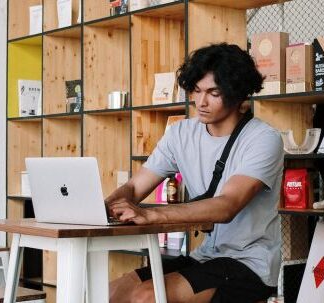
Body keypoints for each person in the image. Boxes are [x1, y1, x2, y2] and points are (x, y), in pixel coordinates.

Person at [105, 43, 284, 303]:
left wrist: (151, 213)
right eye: (197, 90)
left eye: (213, 92)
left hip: (250, 263)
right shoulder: (180, 133)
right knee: (111, 292)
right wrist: (110, 204)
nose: (201, 102)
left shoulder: (263, 138)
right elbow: (134, 187)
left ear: (237, 93)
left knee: (147, 296)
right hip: (205, 256)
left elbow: (227, 206)